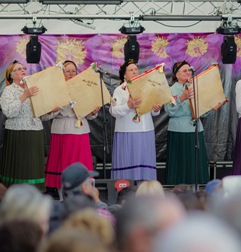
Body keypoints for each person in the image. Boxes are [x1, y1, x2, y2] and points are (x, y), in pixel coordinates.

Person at [42, 60, 99, 200]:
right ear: (62, 73)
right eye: (68, 71)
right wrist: (57, 108)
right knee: (63, 163)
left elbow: (90, 113)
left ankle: (82, 197)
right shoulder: (55, 90)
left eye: (73, 71)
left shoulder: (83, 88)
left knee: (80, 162)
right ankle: (62, 197)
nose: (71, 73)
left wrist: (92, 112)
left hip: (80, 130)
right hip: (62, 130)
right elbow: (44, 115)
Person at [164, 61, 221, 185]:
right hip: (178, 131)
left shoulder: (196, 88)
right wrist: (182, 98)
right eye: (184, 71)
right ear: (176, 75)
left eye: (189, 70)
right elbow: (169, 111)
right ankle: (177, 190)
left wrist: (211, 108)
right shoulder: (171, 90)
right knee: (180, 162)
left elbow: (201, 112)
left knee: (195, 162)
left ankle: (197, 189)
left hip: (195, 130)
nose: (188, 73)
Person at [110, 60, 162, 182]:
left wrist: (156, 109)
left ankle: (144, 192)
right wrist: (128, 105)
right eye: (130, 70)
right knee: (127, 163)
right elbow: (113, 111)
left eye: (135, 69)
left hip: (145, 131)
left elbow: (154, 112)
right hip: (127, 132)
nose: (134, 71)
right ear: (124, 75)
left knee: (144, 164)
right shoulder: (120, 90)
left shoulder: (147, 87)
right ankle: (125, 193)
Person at [0, 61, 45, 190]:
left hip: (36, 133)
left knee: (33, 168)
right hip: (17, 134)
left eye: (24, 68)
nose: (23, 70)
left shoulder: (34, 89)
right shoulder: (9, 91)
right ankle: (15, 199)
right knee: (19, 167)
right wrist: (24, 95)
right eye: (19, 69)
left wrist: (52, 110)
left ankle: (35, 198)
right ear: (12, 75)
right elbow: (8, 112)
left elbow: (44, 116)